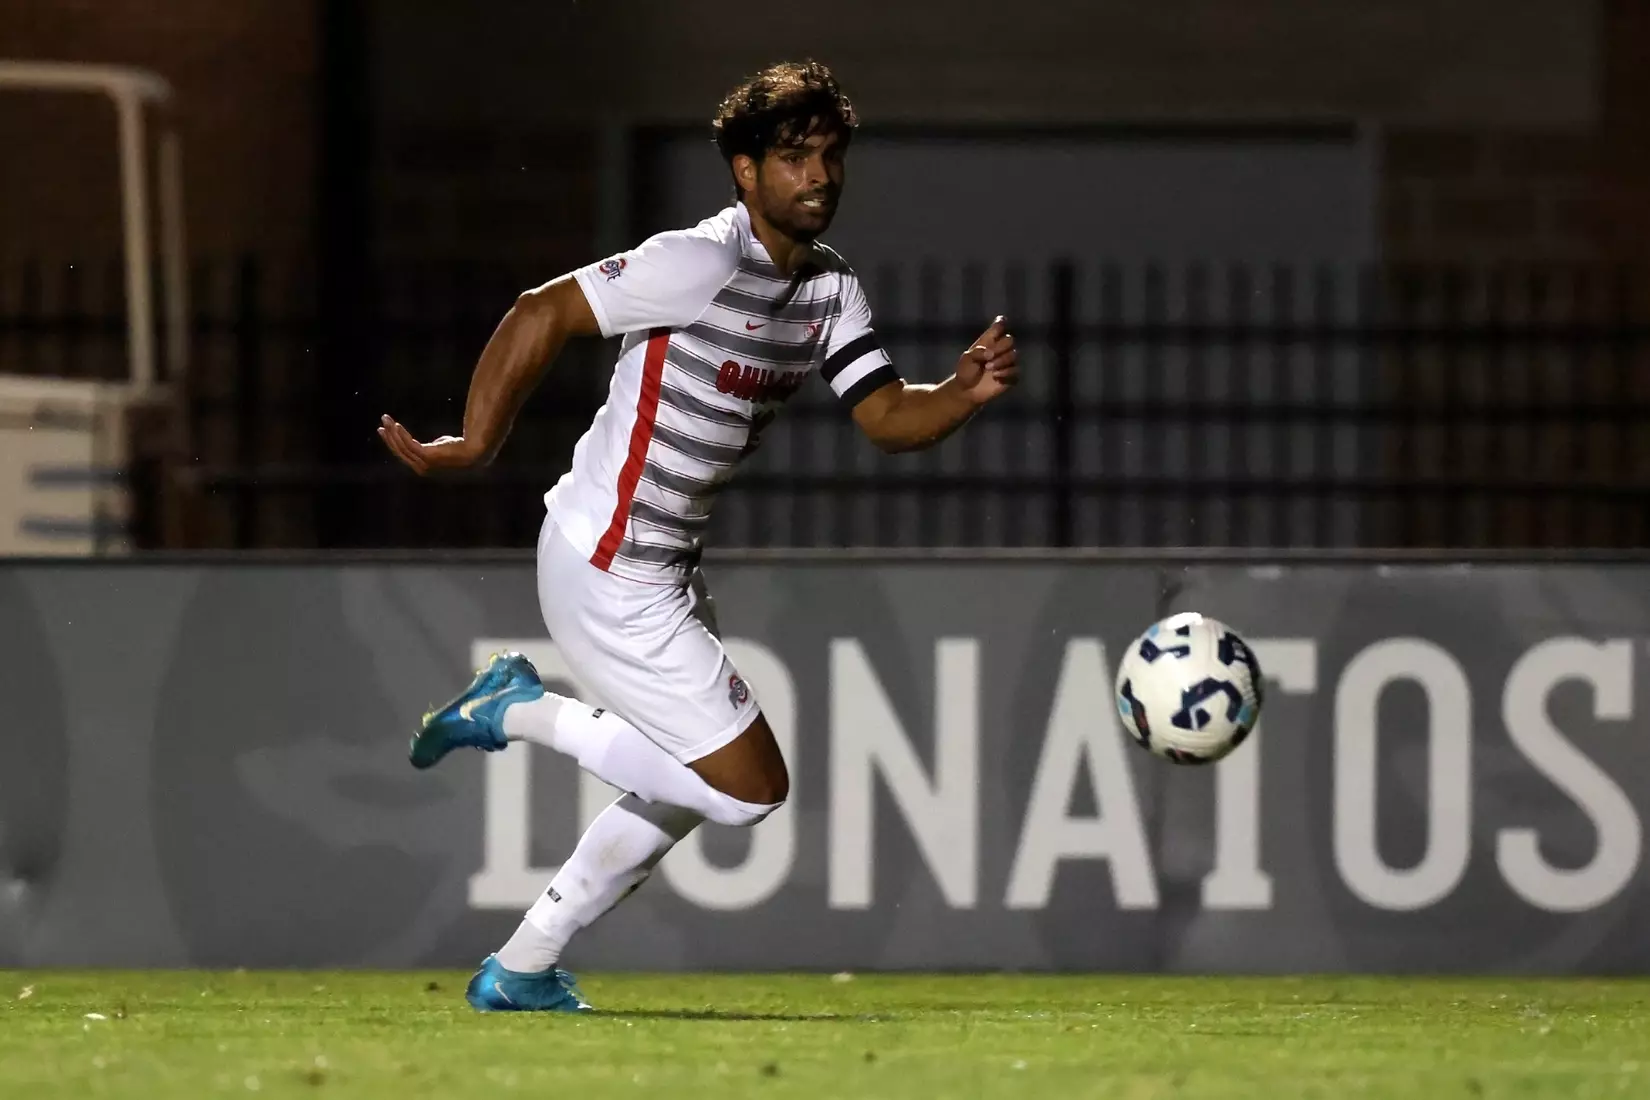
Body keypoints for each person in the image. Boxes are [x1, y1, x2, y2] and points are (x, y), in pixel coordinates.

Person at [376, 59, 1019, 1013]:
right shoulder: (698, 262)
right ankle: (514, 710)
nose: (819, 177)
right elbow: (540, 312)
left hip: (662, 569)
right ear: (745, 173)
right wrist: (477, 442)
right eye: (794, 158)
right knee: (750, 788)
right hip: (604, 562)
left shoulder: (831, 290)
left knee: (683, 790)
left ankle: (520, 966)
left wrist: (959, 395)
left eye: (831, 156)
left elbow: (883, 415)